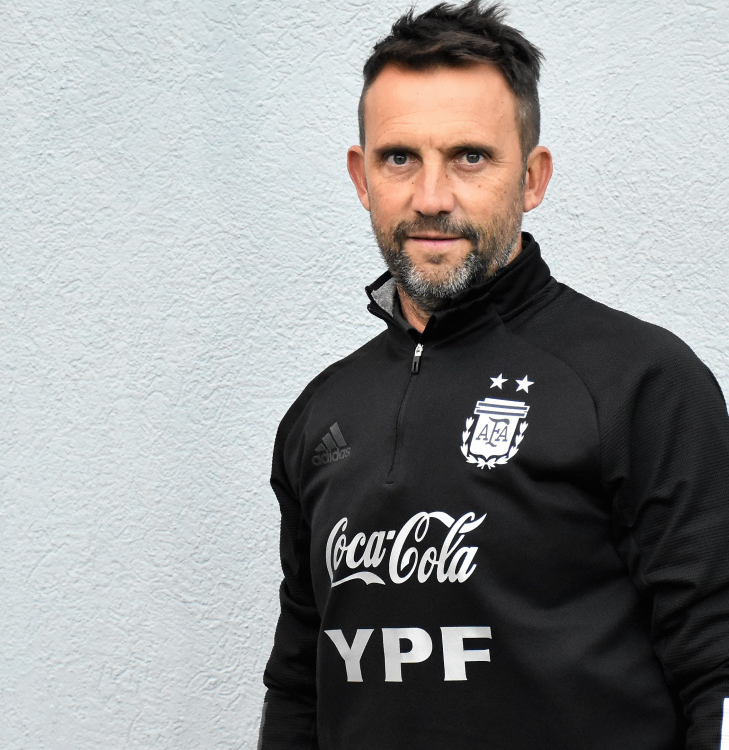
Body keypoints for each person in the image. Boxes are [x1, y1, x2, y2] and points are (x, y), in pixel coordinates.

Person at [257, 2, 729, 749]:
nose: (431, 197)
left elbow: (718, 662)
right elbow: (298, 684)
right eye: (399, 158)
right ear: (361, 176)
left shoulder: (641, 382)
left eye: (470, 157)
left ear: (532, 178)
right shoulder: (321, 414)